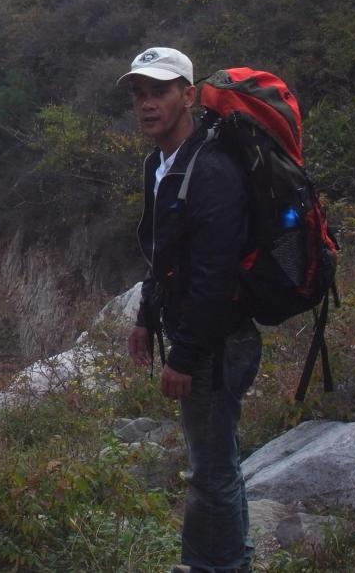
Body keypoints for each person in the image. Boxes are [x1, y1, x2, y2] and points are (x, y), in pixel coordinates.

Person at [120, 47, 260, 573]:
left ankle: (215, 565)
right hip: (198, 334)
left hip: (217, 342)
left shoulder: (212, 169)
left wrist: (184, 356)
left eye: (160, 91)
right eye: (140, 94)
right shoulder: (160, 165)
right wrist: (145, 316)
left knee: (210, 470)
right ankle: (230, 559)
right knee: (217, 460)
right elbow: (166, 255)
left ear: (189, 95)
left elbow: (215, 276)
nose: (147, 104)